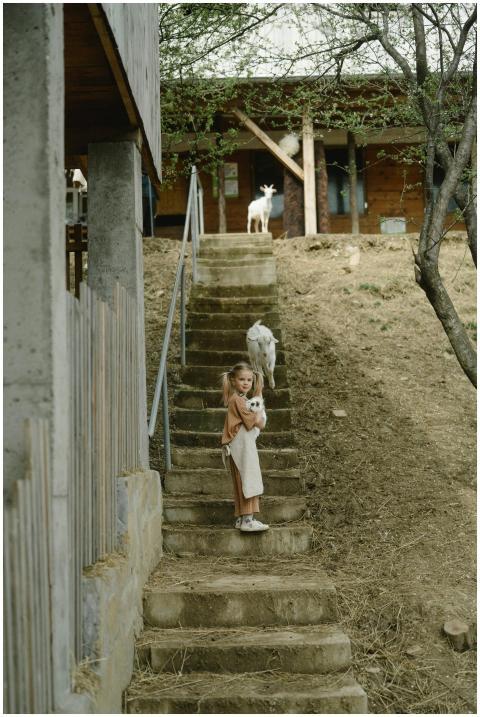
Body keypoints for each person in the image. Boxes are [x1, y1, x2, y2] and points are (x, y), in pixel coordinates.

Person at [221, 362, 269, 532]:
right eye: (242, 379)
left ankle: (243, 518)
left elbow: (260, 423)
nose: (246, 382)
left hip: (241, 445)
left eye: (249, 379)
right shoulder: (239, 401)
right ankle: (247, 519)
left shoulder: (242, 400)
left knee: (244, 477)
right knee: (248, 477)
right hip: (240, 445)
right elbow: (254, 423)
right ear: (233, 380)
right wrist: (259, 401)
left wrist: (256, 403)